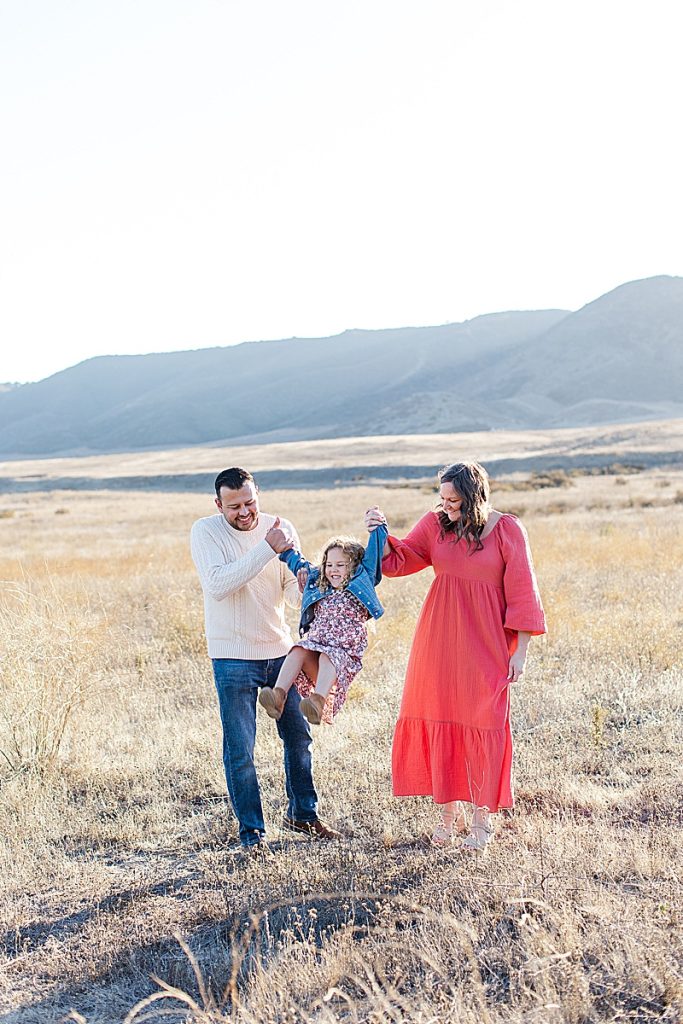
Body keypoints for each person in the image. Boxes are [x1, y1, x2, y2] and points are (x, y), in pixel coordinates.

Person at [366, 461, 546, 852]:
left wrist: (522, 651)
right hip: (439, 640)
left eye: (454, 500)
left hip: (487, 643)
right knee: (440, 716)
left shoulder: (508, 530)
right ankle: (449, 814)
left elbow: (523, 593)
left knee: (484, 721)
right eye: (442, 498)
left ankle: (483, 818)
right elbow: (399, 560)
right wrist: (378, 533)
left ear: (475, 496)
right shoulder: (434, 524)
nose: (446, 506)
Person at [190, 467, 340, 851]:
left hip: (279, 651)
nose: (244, 512)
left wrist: (304, 590)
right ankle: (252, 834)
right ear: (218, 504)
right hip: (231, 656)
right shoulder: (205, 532)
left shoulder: (280, 526)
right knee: (241, 749)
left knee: (299, 737)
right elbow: (219, 585)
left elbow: (289, 587)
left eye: (250, 502)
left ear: (259, 495)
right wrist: (266, 548)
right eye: (234, 506)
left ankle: (303, 815)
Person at [258, 521, 388, 726]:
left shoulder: (361, 580)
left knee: (329, 655)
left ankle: (318, 702)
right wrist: (283, 547)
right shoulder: (318, 582)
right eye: (329, 565)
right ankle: (278, 696)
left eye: (340, 565)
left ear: (354, 566)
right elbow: (297, 562)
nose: (333, 570)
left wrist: (378, 525)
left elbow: (373, 553)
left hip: (341, 659)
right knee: (298, 649)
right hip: (317, 652)